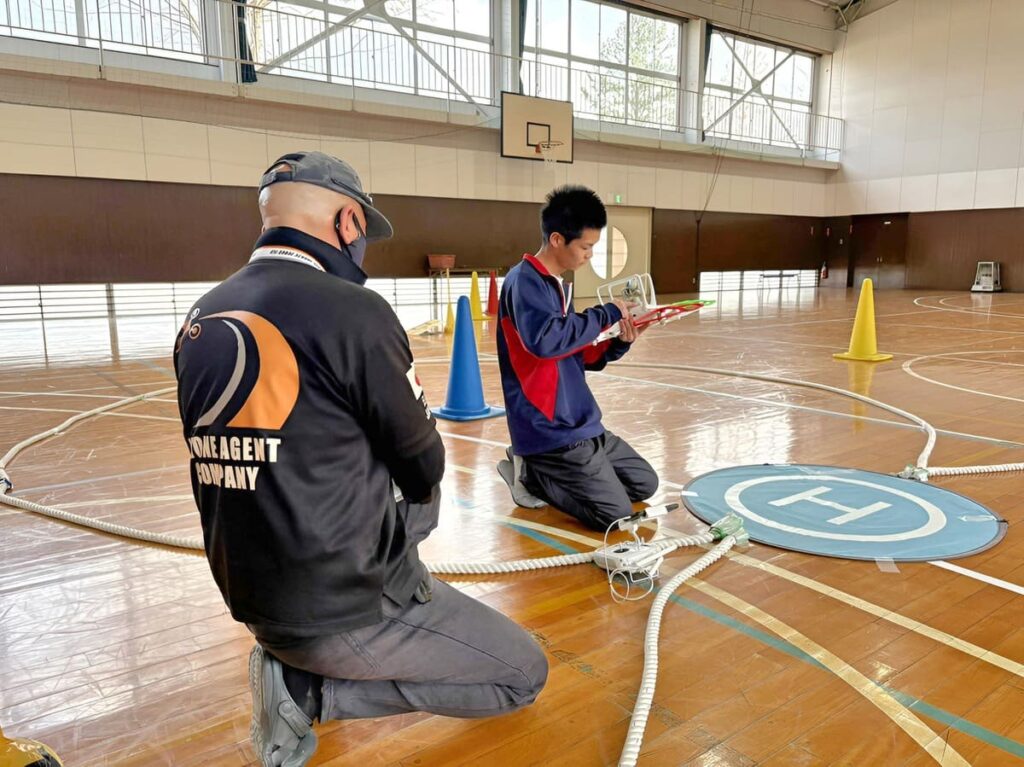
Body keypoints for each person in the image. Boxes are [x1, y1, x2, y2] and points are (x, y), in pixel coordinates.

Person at [173, 151, 548, 767]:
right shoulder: (353, 311)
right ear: (347, 220)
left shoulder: (202, 314)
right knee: (521, 674)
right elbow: (424, 465)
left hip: (252, 590)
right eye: (364, 232)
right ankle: (311, 692)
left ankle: (322, 649)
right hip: (337, 607)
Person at [496, 185, 659, 531]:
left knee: (645, 483)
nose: (589, 255)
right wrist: (605, 314)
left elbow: (573, 352)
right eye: (585, 247)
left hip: (581, 422)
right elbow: (546, 341)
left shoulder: (555, 284)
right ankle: (531, 473)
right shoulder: (523, 281)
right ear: (557, 239)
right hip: (549, 428)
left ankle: (567, 472)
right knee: (614, 514)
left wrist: (619, 340)